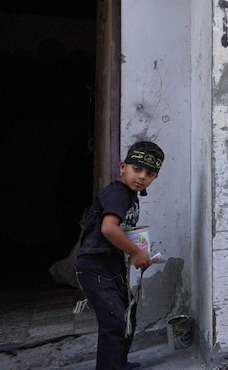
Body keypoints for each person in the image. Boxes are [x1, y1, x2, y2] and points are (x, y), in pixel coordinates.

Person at [76, 141, 164, 370]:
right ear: (122, 166)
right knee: (113, 319)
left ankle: (118, 363)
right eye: (137, 169)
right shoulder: (117, 193)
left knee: (125, 316)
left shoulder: (130, 196)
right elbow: (108, 228)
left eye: (149, 173)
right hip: (95, 265)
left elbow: (119, 231)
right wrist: (135, 252)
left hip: (110, 264)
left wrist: (140, 250)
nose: (141, 177)